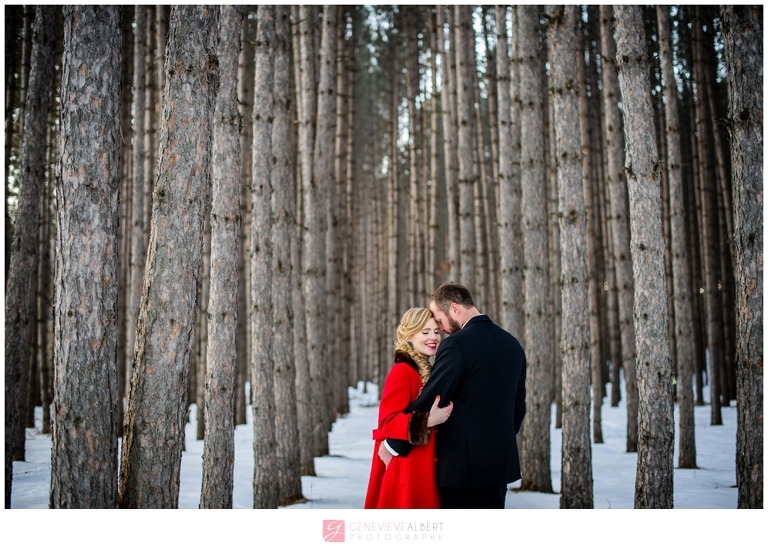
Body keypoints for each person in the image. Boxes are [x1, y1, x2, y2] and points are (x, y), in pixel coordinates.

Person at [384, 282, 526, 509]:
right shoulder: (512, 345)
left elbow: (433, 398)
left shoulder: (457, 345)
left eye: (439, 321)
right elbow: (518, 408)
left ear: (454, 309)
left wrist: (394, 444)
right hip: (499, 467)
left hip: (461, 470)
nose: (441, 329)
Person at [364, 308, 453, 509]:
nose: (433, 337)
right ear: (409, 336)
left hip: (422, 466)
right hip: (405, 468)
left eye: (436, 332)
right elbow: (387, 422)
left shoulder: (426, 370)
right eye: (425, 332)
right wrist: (427, 420)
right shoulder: (403, 371)